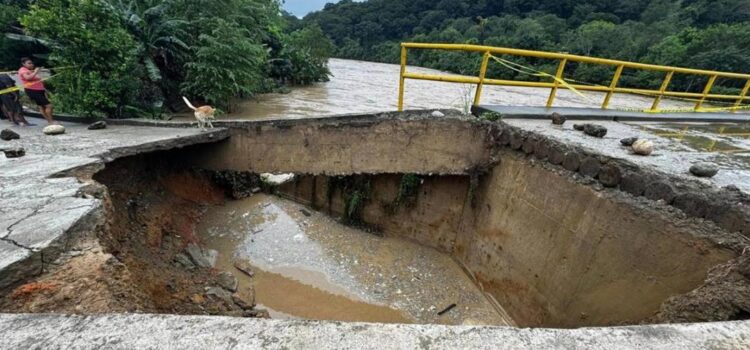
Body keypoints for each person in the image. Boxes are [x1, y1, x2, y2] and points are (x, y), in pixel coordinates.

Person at [18, 57, 55, 124]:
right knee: (49, 106)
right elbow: (28, 78)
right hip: (32, 91)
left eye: (32, 63)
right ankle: (51, 121)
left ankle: (49, 121)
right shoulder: (23, 70)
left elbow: (38, 80)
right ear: (23, 64)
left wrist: (44, 89)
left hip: (39, 90)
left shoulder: (30, 70)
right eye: (29, 63)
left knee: (42, 106)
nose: (31, 64)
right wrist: (35, 71)